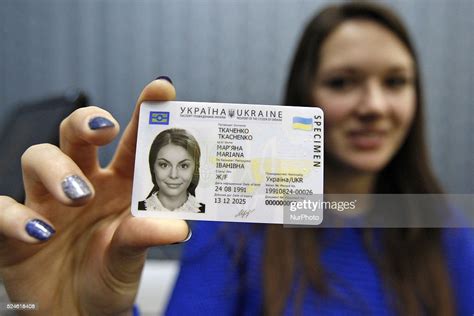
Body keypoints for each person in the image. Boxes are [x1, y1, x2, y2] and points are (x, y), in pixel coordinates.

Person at [0, 2, 471, 316]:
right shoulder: (236, 225)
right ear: (305, 97)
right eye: (343, 82)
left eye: (395, 82)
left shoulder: (449, 231)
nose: (373, 106)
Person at [137, 128, 205, 213]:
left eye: (184, 166)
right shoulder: (135, 210)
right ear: (152, 167)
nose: (173, 175)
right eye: (164, 165)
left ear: (195, 169)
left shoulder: (207, 213)